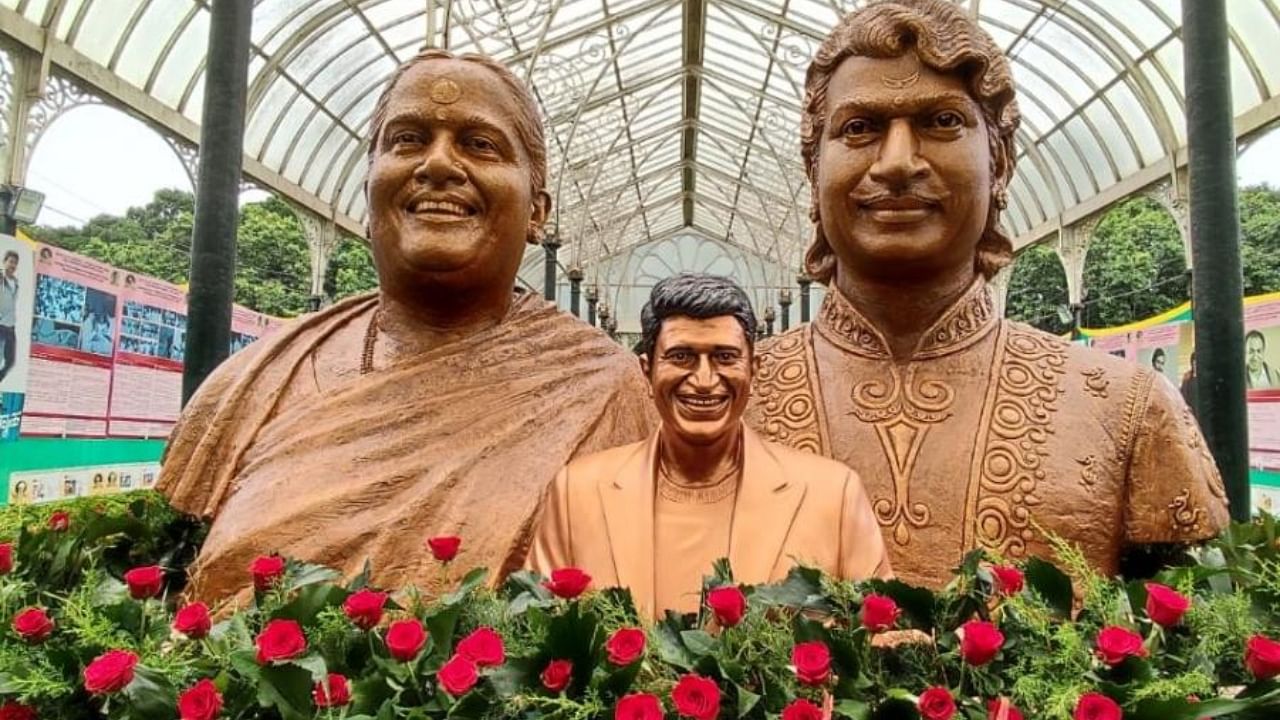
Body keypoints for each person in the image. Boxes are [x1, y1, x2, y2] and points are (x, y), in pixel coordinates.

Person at [746, 0, 1227, 588]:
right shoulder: (712, 404)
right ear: (813, 168)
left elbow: (1197, 639)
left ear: (1000, 163)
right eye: (859, 128)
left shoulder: (1129, 409)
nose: (897, 162)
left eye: (942, 122)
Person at [159, 49, 656, 607]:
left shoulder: (602, 387)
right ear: (369, 190)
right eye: (408, 140)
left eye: (480, 144)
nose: (439, 165)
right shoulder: (250, 386)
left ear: (538, 211)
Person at [529, 274, 889, 619]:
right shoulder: (577, 493)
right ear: (647, 371)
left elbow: (878, 637)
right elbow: (536, 630)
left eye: (725, 357)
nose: (704, 380)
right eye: (681, 357)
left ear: (755, 369)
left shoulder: (832, 495)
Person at [0, 251, 18, 384]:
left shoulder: (16, 283)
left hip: (10, 326)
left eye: (15, 263)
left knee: (11, 361)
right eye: (10, 261)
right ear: (4, 261)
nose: (13, 265)